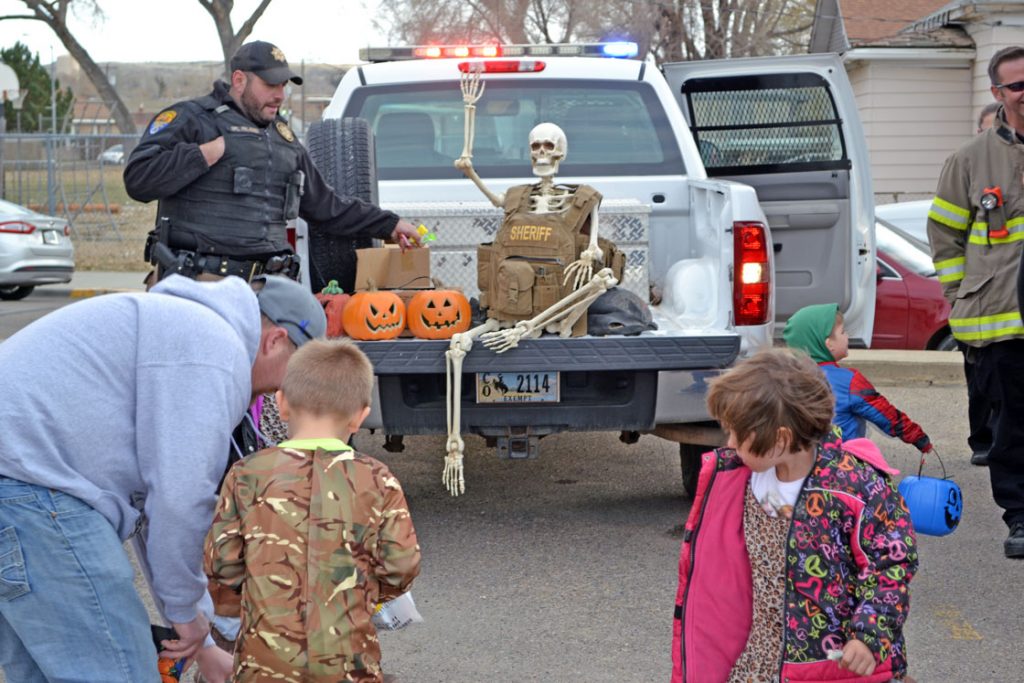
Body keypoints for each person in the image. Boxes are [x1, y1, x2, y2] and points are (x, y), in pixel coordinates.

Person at [0, 274, 326, 682]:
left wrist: (199, 638)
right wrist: (189, 616)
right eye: (290, 375)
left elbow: (152, 514)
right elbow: (179, 503)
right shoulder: (214, 350)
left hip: (18, 484)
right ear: (275, 341)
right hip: (29, 489)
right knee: (118, 672)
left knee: (42, 673)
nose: (279, 393)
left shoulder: (180, 327)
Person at [671, 349, 917, 683]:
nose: (728, 443)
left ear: (780, 439)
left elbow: (890, 564)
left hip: (829, 663)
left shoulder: (856, 488)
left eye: (736, 434)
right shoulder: (739, 475)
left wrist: (869, 635)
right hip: (759, 657)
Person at [204, 338, 421, 682]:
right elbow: (401, 567)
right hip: (349, 668)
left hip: (263, 668)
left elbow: (222, 565)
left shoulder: (247, 475)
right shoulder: (378, 480)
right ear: (360, 417)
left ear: (281, 404)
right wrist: (365, 591)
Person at [124, 40, 421, 289]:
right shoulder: (193, 119)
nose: (279, 95)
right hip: (198, 284)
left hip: (269, 289)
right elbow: (138, 180)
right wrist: (203, 155)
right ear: (239, 80)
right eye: (270, 85)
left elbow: (327, 207)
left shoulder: (283, 138)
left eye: (283, 86)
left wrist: (390, 225)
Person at [929, 45, 1024, 558]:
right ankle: (1020, 517)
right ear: (998, 94)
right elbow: (945, 237)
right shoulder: (969, 161)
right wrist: (960, 296)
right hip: (1001, 321)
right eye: (1017, 86)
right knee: (1011, 423)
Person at [783, 302, 934, 455]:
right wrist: (919, 438)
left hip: (801, 465)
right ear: (829, 344)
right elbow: (886, 415)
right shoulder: (849, 381)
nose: (847, 335)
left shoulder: (787, 379)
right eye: (843, 332)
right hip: (844, 465)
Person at [958, 101, 1002, 466]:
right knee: (981, 383)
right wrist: (958, 295)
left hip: (1009, 303)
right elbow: (947, 236)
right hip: (978, 303)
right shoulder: (966, 171)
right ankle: (983, 441)